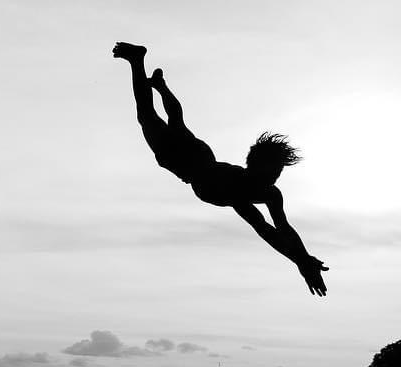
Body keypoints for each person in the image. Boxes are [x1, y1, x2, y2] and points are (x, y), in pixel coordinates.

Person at [112, 42, 328, 296]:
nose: (274, 177)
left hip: (199, 158)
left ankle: (159, 85)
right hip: (187, 162)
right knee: (148, 116)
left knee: (174, 122)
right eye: (272, 171)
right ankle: (138, 62)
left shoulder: (271, 193)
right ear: (254, 166)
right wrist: (301, 262)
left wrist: (303, 260)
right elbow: (264, 229)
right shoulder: (239, 188)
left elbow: (283, 229)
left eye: (278, 172)